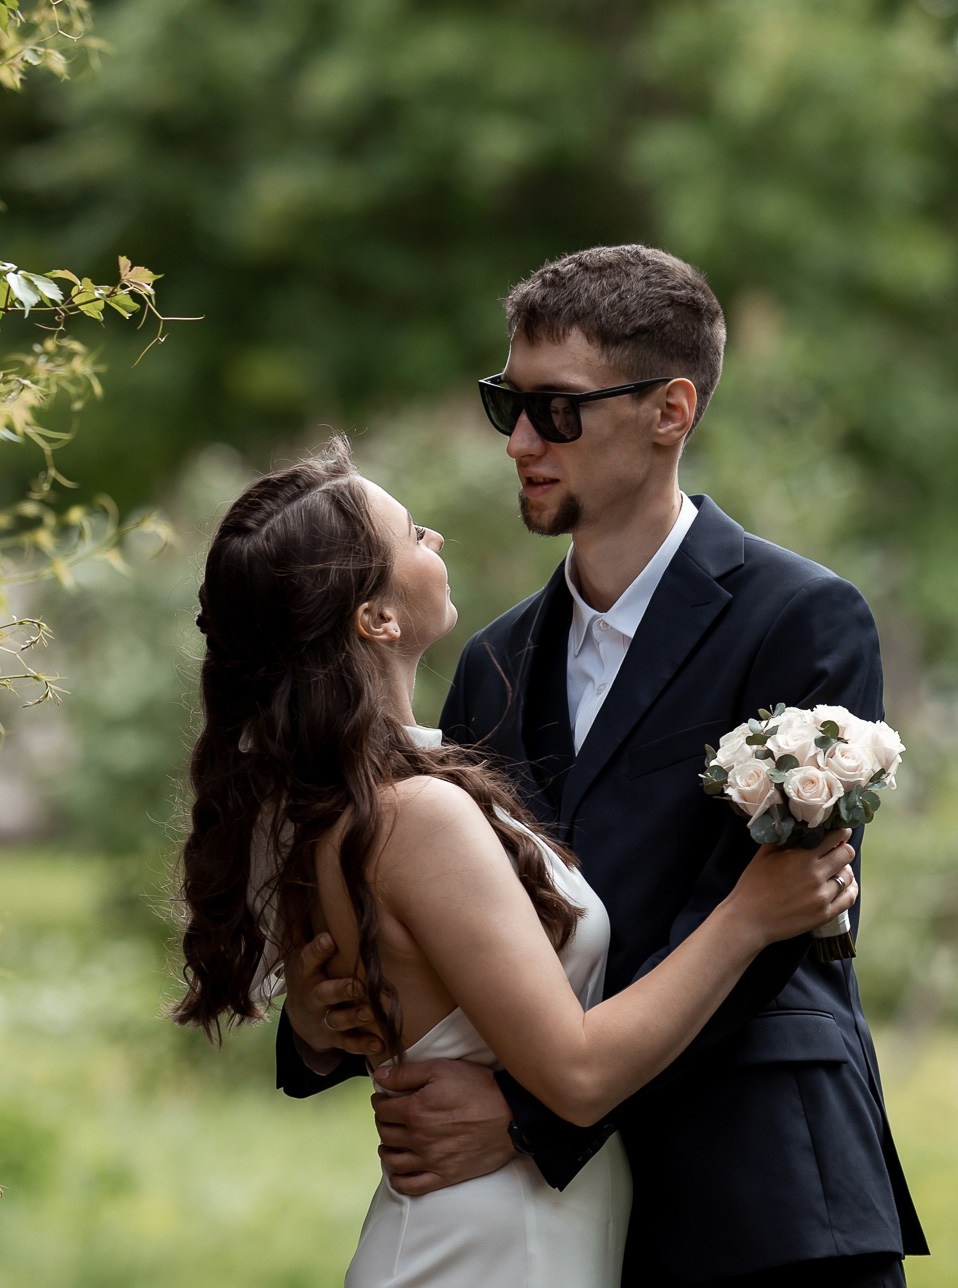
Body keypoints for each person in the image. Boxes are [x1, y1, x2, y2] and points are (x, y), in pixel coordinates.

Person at [277, 246, 928, 1287]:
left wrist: (533, 1113)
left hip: (764, 1196)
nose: (521, 441)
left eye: (557, 410)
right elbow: (460, 922)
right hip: (565, 1229)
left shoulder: (801, 618)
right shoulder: (490, 662)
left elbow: (771, 926)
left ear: (670, 410)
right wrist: (320, 1021)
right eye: (508, 405)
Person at [172, 437, 860, 1288]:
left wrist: (325, 1027)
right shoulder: (416, 811)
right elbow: (572, 1070)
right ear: (376, 619)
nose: (439, 542)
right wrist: (751, 914)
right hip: (490, 1248)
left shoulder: (355, 787)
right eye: (415, 533)